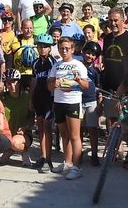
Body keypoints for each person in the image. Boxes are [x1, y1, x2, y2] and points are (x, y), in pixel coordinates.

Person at [47, 36, 90, 180]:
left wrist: (78, 80)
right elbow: (49, 86)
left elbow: (86, 86)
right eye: (61, 48)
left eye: (67, 48)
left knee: (74, 136)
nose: (64, 51)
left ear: (72, 49)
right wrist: (55, 84)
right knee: (64, 135)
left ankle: (77, 167)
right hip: (59, 102)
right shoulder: (56, 65)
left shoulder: (79, 65)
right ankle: (68, 163)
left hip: (72, 102)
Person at [101, 7, 128, 124]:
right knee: (112, 121)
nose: (112, 23)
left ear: (122, 21)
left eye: (115, 20)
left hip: (126, 87)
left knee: (126, 122)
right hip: (110, 87)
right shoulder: (107, 38)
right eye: (110, 21)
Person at [30, 33, 56, 172]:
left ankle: (49, 159)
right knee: (40, 128)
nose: (42, 49)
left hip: (49, 98)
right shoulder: (35, 63)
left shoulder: (53, 63)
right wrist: (31, 100)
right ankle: (42, 156)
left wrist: (53, 100)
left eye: (45, 47)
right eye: (40, 46)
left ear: (50, 48)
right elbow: (33, 82)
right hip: (38, 98)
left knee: (47, 128)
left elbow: (54, 82)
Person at [81, 41, 102, 166]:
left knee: (92, 129)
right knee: (79, 129)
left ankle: (94, 154)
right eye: (88, 53)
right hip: (78, 100)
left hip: (91, 101)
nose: (90, 56)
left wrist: (99, 104)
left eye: (93, 55)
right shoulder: (78, 66)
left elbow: (99, 88)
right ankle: (78, 153)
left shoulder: (95, 71)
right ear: (84, 52)